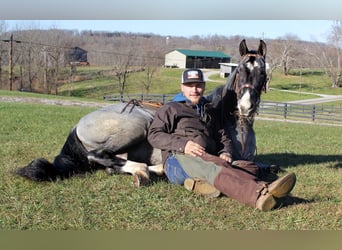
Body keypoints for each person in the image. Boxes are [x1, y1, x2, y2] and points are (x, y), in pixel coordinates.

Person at [147, 68, 296, 211]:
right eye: (190, 86)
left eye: (198, 85)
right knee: (213, 169)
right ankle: (258, 196)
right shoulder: (171, 108)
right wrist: (183, 145)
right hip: (178, 160)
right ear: (182, 87)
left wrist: (226, 152)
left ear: (204, 86)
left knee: (243, 166)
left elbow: (222, 136)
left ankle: (205, 185)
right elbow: (154, 134)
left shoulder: (209, 110)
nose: (194, 90)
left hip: (207, 157)